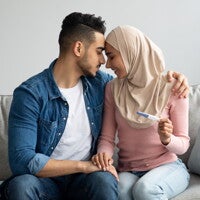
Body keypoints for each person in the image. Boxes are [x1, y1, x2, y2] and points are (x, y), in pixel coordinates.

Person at [1, 12, 188, 200]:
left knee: (104, 181)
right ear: (78, 48)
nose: (103, 61)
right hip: (46, 181)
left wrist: (173, 79)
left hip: (87, 181)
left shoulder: (101, 84)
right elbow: (22, 161)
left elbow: (137, 82)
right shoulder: (30, 94)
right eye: (99, 51)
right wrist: (83, 166)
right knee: (22, 185)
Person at [92, 25, 190, 200]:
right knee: (117, 189)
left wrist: (167, 139)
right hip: (129, 170)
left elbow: (183, 144)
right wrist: (104, 159)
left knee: (145, 189)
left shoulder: (172, 86)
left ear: (131, 51)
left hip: (168, 166)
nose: (108, 64)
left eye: (112, 56)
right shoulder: (112, 89)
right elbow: (107, 138)